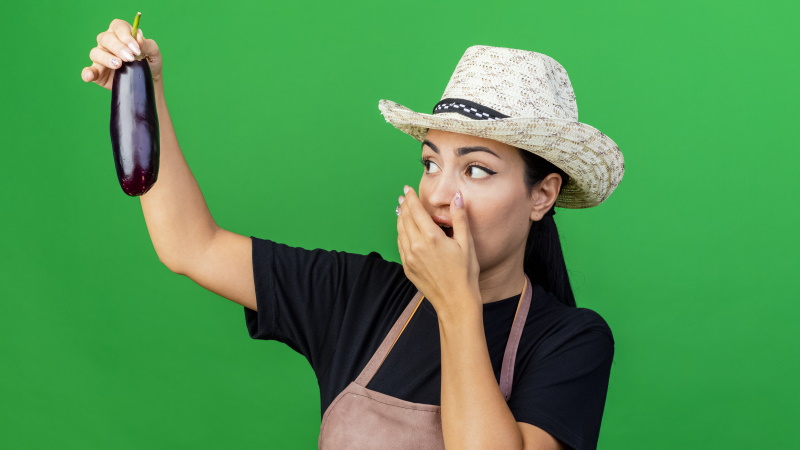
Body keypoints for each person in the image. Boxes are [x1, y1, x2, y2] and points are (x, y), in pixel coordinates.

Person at [82, 18, 624, 450]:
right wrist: (142, 92)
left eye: (477, 169)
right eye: (431, 163)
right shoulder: (358, 296)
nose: (438, 194)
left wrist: (457, 305)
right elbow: (191, 246)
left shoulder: (570, 343)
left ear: (542, 195)